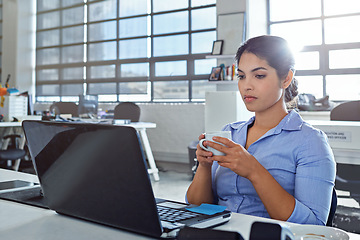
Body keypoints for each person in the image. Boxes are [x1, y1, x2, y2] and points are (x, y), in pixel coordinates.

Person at [186, 35, 336, 225]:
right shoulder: (229, 133)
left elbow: (313, 225)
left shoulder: (310, 142)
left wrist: (254, 171)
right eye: (241, 76)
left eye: (259, 75)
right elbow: (197, 208)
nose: (246, 86)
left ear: (286, 78)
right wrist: (204, 167)